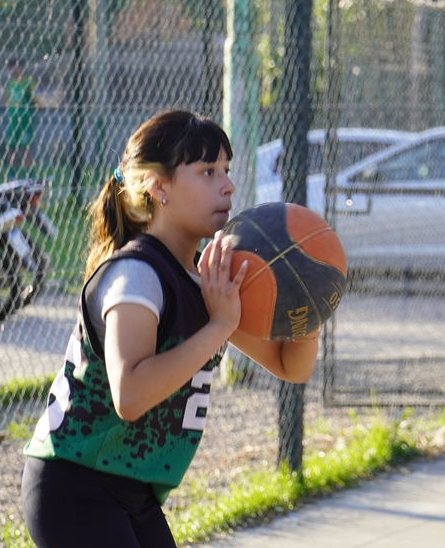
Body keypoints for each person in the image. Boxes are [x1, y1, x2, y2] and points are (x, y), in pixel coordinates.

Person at [20, 109, 320, 547]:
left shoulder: (205, 278)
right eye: (207, 171)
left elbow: (288, 365)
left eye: (226, 170)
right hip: (74, 484)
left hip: (132, 490)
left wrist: (307, 310)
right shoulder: (136, 277)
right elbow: (130, 396)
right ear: (159, 187)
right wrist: (219, 325)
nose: (228, 184)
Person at [4, 58, 38, 178]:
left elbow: (36, 100)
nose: (12, 70)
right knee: (11, 147)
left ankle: (30, 175)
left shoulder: (28, 83)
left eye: (15, 66)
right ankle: (12, 175)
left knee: (25, 148)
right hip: (12, 121)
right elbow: (7, 100)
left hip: (25, 121)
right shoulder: (10, 84)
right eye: (10, 67)